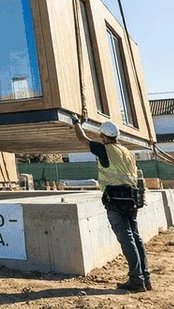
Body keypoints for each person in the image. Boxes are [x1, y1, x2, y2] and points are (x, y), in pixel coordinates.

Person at [72, 116, 150, 292]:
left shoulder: (104, 149)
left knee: (127, 239)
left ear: (104, 137)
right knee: (136, 238)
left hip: (115, 201)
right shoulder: (127, 152)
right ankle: (145, 277)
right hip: (132, 199)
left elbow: (82, 139)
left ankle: (136, 280)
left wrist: (75, 122)